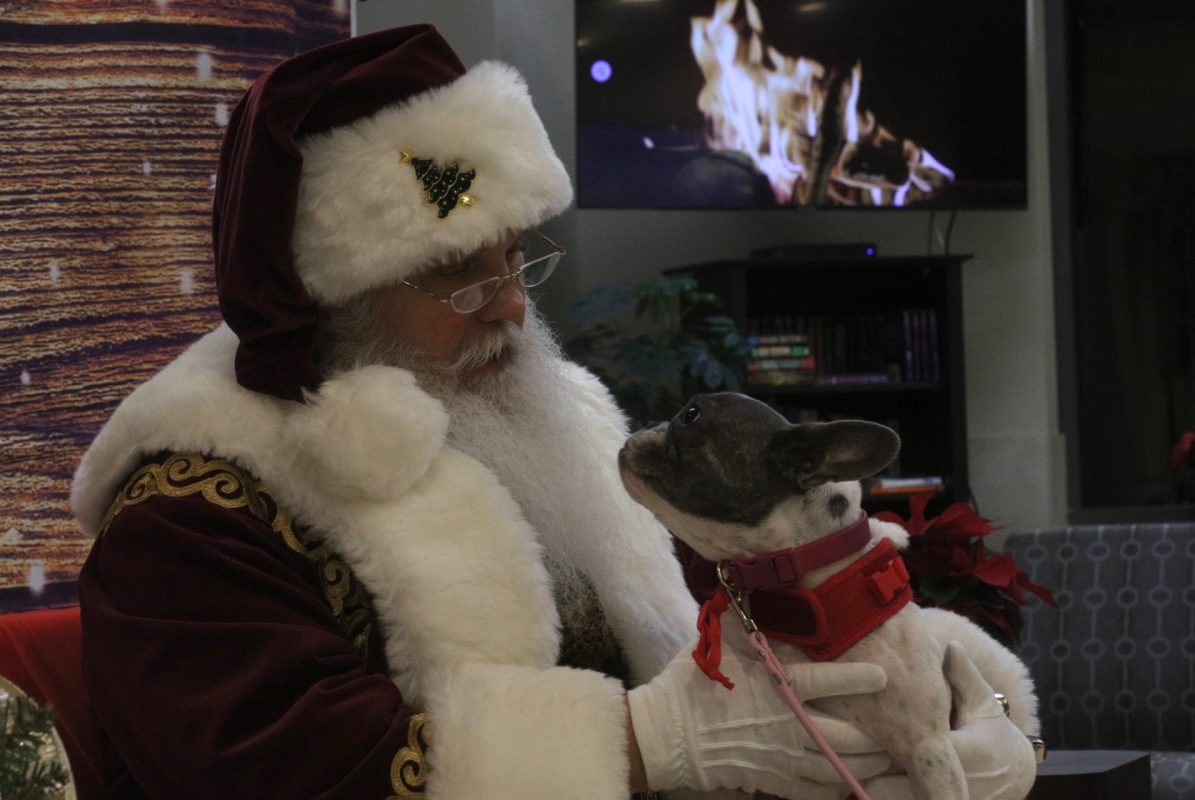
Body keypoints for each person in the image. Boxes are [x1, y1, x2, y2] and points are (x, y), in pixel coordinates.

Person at [70, 24, 1038, 800]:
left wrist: (963, 685)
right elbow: (278, 764)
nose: (511, 303)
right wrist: (648, 742)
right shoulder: (195, 505)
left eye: (516, 255)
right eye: (455, 270)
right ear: (332, 297)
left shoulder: (566, 425)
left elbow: (759, 594)